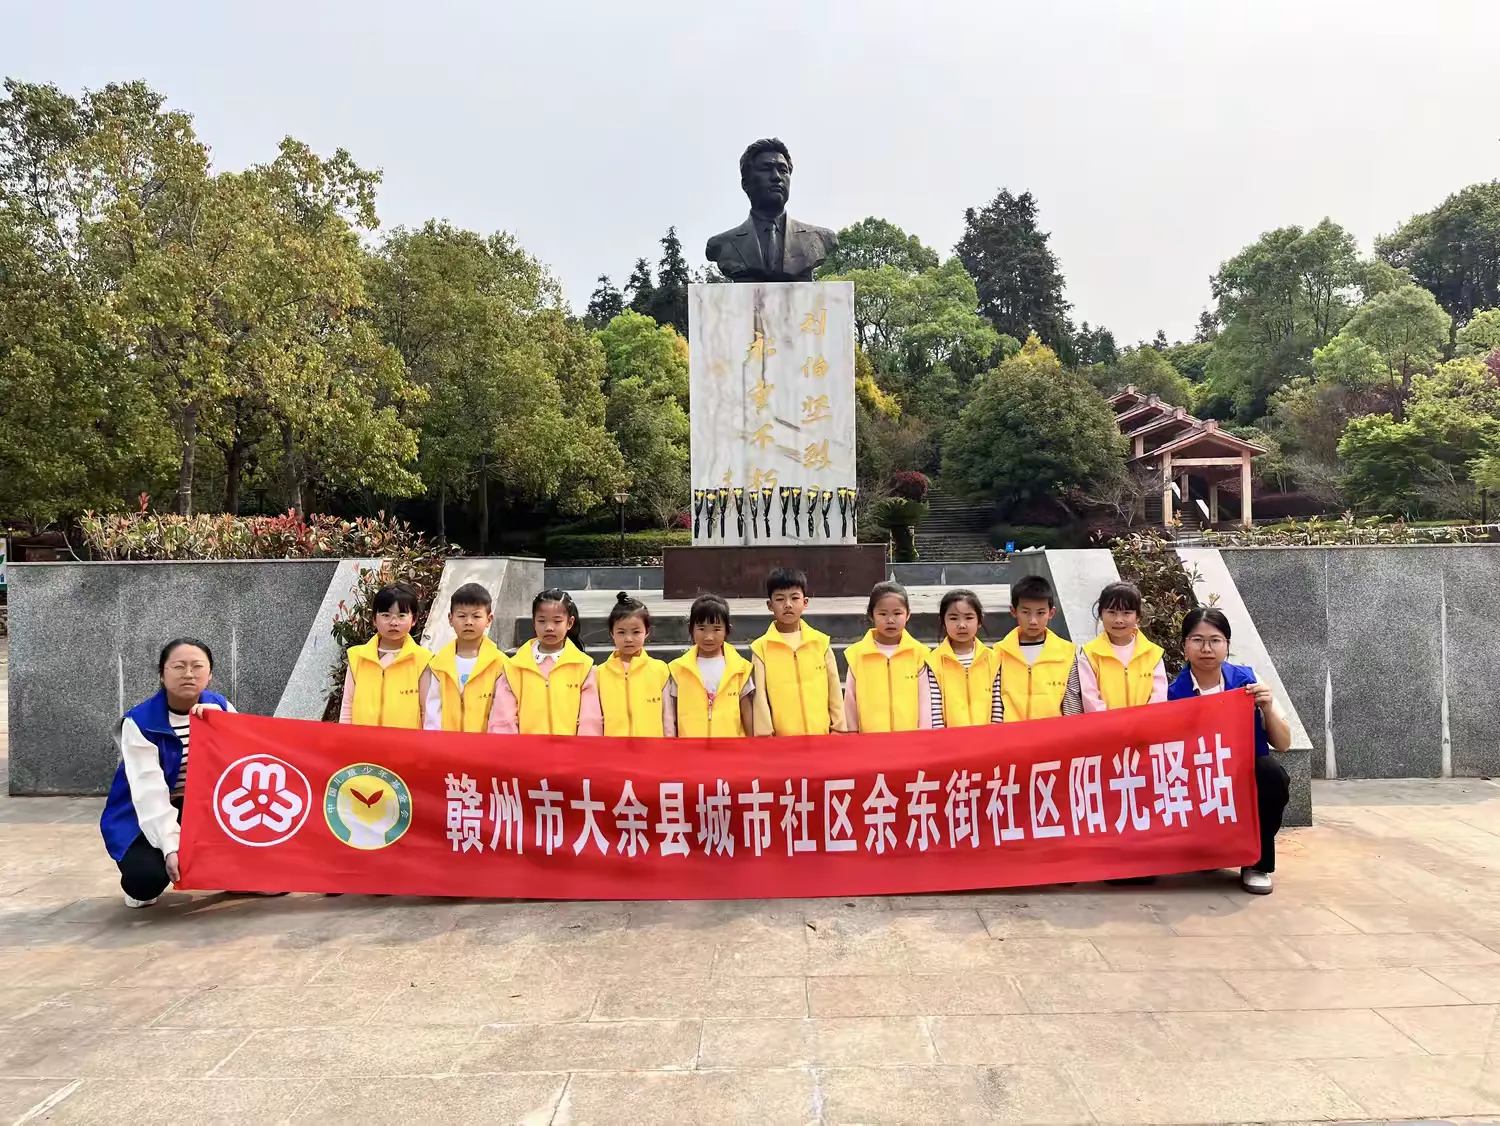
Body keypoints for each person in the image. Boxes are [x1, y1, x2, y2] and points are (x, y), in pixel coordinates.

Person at [1169, 607, 1293, 895]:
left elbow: (1283, 743)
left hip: (1241, 773)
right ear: (1185, 646)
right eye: (1197, 640)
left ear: (1227, 645)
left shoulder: (1249, 682)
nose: (1206, 649)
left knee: (1271, 774)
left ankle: (1256, 864)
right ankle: (1205, 850)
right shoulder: (1171, 693)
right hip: (1196, 777)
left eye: (1215, 640)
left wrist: (1266, 708)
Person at [100, 639, 231, 907]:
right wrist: (171, 846)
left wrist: (224, 724)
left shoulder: (220, 707)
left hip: (204, 808)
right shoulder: (140, 723)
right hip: (146, 812)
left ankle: (238, 876)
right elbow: (149, 793)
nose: (188, 674)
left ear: (210, 674)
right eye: (179, 666)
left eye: (197, 666)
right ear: (162, 673)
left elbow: (242, 762)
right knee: (145, 881)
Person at [490, 589, 602, 735]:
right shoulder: (514, 668)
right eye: (542, 621)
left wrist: (582, 748)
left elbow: (590, 720)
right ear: (534, 622)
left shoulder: (583, 667)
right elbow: (503, 719)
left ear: (570, 622)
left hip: (569, 747)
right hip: (527, 747)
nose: (549, 628)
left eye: (557, 621)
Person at [749, 568, 844, 736]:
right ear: (770, 605)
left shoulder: (820, 643)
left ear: (805, 602)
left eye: (794, 598)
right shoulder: (761, 648)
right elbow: (760, 696)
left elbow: (834, 689)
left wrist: (838, 727)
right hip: (783, 740)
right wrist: (765, 734)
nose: (788, 604)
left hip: (821, 736)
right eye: (780, 599)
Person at [843, 581, 942, 732]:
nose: (890, 620)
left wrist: (924, 735)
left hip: (910, 739)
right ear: (871, 615)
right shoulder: (857, 654)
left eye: (897, 613)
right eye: (883, 614)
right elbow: (850, 701)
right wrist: (852, 732)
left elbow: (926, 701)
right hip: (870, 739)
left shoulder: (920, 654)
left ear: (908, 614)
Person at [340, 583, 432, 728]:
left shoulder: (422, 660)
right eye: (386, 615)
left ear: (414, 619)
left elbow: (426, 711)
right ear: (374, 619)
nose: (393, 622)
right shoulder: (357, 657)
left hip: (404, 742)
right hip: (363, 740)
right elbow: (347, 706)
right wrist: (343, 737)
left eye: (401, 616)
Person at [994, 574, 1083, 722]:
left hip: (1053, 734)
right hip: (1011, 733)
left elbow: (1071, 704)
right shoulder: (999, 652)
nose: (1033, 621)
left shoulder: (1068, 653)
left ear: (1051, 613)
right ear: (1014, 611)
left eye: (1040, 613)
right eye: (1026, 612)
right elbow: (994, 702)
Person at [666, 594, 755, 737]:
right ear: (691, 629)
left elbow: (746, 710)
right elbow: (673, 713)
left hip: (730, 745)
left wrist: (753, 743)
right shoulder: (679, 669)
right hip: (691, 745)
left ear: (727, 630)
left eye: (716, 629)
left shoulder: (740, 668)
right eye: (701, 629)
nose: (708, 637)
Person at [423, 583, 507, 732]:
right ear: (450, 619)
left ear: (489, 620)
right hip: (446, 743)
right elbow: (433, 710)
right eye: (462, 616)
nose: (468, 622)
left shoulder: (500, 664)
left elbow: (502, 711)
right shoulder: (438, 664)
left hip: (485, 743)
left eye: (476, 616)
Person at [1077, 581, 1168, 712]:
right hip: (1106, 725)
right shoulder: (1090, 655)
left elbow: (1159, 696)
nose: (1118, 620)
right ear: (1101, 615)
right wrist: (1114, 723)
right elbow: (1090, 700)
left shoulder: (1152, 653)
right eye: (1112, 612)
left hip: (1146, 723)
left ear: (1137, 616)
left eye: (1126, 613)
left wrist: (1142, 721)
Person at [597, 592, 672, 737]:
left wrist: (668, 744)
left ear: (647, 632)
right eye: (621, 632)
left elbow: (667, 716)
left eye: (636, 632)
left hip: (651, 746)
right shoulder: (599, 673)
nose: (628, 639)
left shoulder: (659, 670)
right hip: (613, 747)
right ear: (612, 633)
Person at [926, 589, 1001, 727]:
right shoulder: (933, 661)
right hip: (950, 738)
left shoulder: (993, 658)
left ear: (980, 621)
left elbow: (997, 707)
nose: (962, 625)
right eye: (954, 618)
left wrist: (994, 735)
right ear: (943, 621)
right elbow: (935, 711)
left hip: (988, 736)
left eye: (969, 618)